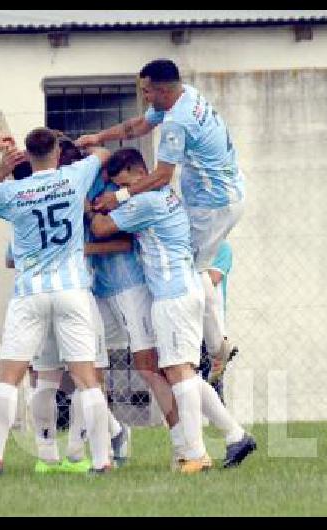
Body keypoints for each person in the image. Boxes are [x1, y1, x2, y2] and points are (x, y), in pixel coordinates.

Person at [77, 58, 245, 385]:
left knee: (192, 273)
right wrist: (99, 136)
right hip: (230, 194)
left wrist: (118, 198)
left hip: (211, 206)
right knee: (199, 270)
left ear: (163, 90)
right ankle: (214, 346)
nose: (145, 97)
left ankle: (214, 349)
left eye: (147, 91)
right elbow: (137, 126)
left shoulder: (177, 122)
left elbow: (162, 176)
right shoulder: (186, 96)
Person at [90, 148, 256, 472]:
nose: (114, 188)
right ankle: (235, 435)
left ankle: (194, 455)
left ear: (131, 171)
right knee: (185, 373)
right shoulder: (165, 194)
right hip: (185, 288)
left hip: (172, 294)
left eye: (117, 180)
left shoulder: (146, 202)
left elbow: (100, 229)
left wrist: (93, 207)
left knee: (180, 373)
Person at [0, 129, 113, 477]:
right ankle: (101, 460)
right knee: (87, 379)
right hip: (72, 290)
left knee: (9, 379)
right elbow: (104, 154)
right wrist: (84, 143)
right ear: (57, 152)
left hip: (29, 294)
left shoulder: (13, 192)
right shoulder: (74, 176)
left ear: (26, 156)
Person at [198, 240, 237, 401]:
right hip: (189, 324)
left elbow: (213, 279)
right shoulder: (192, 246)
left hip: (212, 327)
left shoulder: (222, 248)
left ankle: (219, 421)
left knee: (213, 384)